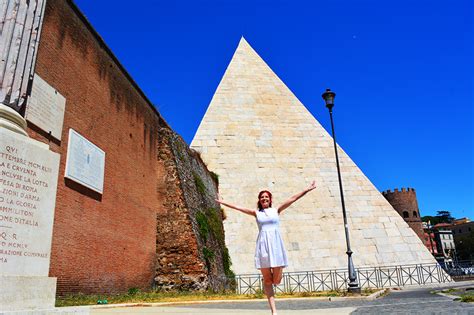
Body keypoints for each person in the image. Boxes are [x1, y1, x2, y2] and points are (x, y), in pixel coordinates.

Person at [216, 180, 317, 315]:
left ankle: (278, 276)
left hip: (275, 245)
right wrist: (223, 203)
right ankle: (274, 311)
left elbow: (292, 199)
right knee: (268, 280)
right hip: (263, 245)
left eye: (266, 197)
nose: (264, 199)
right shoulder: (256, 213)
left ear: (270, 200)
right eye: (262, 197)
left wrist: (307, 189)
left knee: (276, 280)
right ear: (259, 200)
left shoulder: (276, 210)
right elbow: (238, 207)